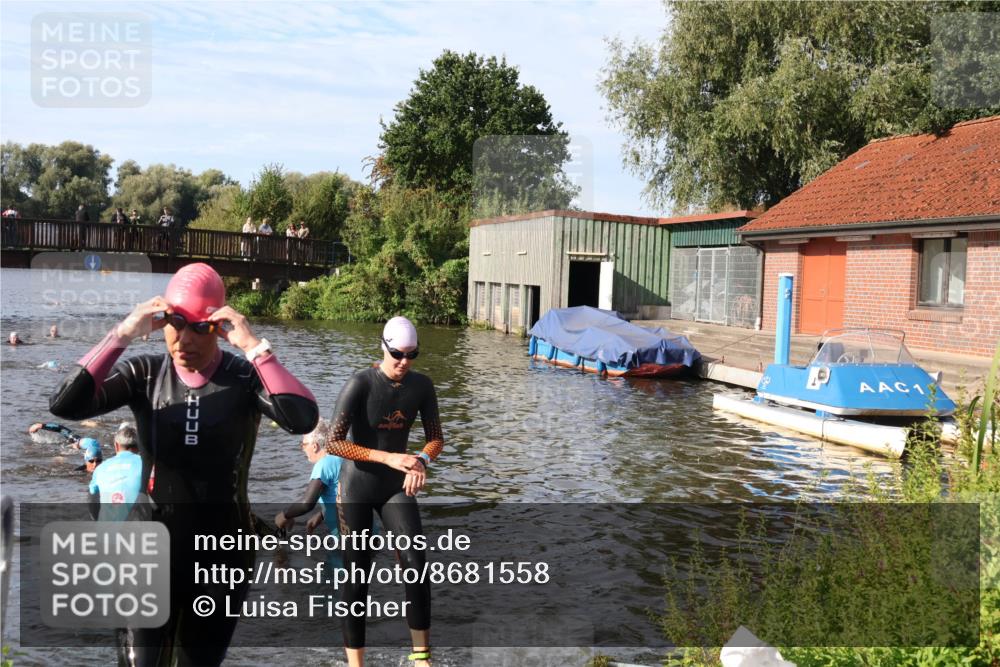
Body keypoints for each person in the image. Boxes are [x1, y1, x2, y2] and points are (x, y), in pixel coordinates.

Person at [49, 262, 319, 666]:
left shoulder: (243, 377)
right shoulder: (144, 373)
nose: (185, 339)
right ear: (162, 320)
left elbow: (302, 419)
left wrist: (254, 347)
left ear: (219, 326)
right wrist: (122, 333)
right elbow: (64, 404)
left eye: (200, 327)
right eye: (176, 323)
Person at [326, 316, 443, 667]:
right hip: (357, 485)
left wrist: (421, 460)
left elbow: (436, 438)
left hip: (396, 486)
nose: (404, 362)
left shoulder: (421, 386)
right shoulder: (360, 383)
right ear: (383, 347)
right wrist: (388, 457)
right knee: (357, 574)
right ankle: (356, 664)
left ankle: (421, 657)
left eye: (412, 354)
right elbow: (334, 443)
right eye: (397, 354)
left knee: (415, 563)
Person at [275, 418, 342, 541]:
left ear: (315, 446)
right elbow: (343, 494)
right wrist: (322, 514)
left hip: (346, 540)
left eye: (304, 445)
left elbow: (306, 504)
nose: (303, 449)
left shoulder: (323, 465)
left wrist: (284, 515)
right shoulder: (340, 457)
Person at [88, 424, 143, 521]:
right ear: (139, 445)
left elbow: (92, 499)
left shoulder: (100, 468)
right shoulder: (145, 464)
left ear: (116, 445)